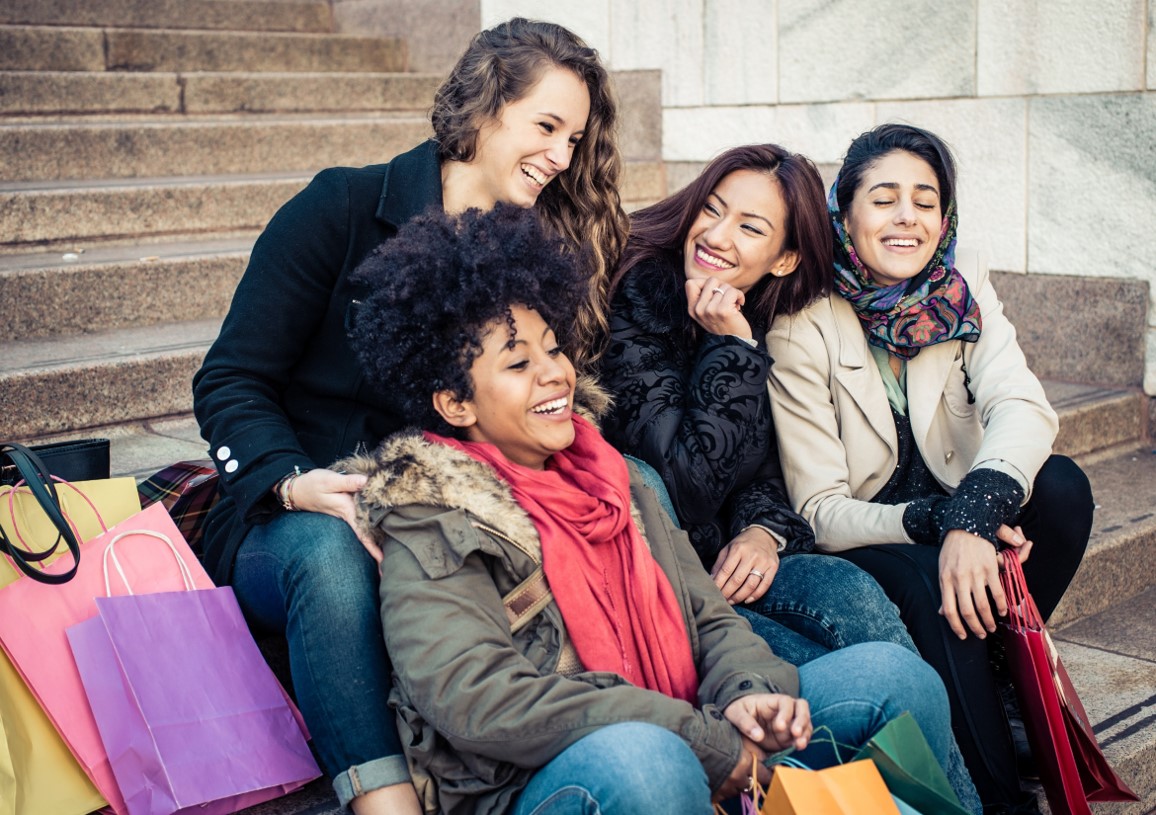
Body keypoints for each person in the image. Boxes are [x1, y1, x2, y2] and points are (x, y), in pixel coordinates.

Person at [343, 202, 974, 815]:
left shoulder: (616, 477)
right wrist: (699, 737)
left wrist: (747, 696)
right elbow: (480, 702)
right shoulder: (431, 515)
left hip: (682, 719)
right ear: (456, 404)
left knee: (896, 678)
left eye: (553, 349)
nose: (554, 375)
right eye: (518, 363)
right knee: (648, 762)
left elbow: (710, 618)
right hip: (537, 781)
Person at [191, 19, 628, 814]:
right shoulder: (343, 206)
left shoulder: (531, 248)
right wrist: (292, 483)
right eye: (547, 127)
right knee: (332, 553)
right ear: (485, 107)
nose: (563, 157)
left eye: (574, 138)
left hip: (448, 510)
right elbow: (230, 378)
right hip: (295, 513)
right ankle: (382, 800)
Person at [767, 123, 1092, 814]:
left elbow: (1023, 405)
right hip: (875, 527)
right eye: (884, 198)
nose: (908, 216)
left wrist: (976, 510)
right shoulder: (803, 317)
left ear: (944, 218)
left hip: (959, 504)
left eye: (926, 198)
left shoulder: (961, 281)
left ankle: (999, 678)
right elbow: (821, 507)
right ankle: (998, 799)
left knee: (1062, 488)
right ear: (844, 213)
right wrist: (938, 524)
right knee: (934, 583)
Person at [600, 144, 918, 667]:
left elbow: (771, 464)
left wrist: (763, 532)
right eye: (712, 209)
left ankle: (937, 752)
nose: (716, 236)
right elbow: (683, 487)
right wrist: (731, 349)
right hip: (664, 575)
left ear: (785, 258)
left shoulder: (767, 321)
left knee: (850, 591)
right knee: (828, 668)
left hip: (736, 559)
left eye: (750, 228)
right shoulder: (638, 300)